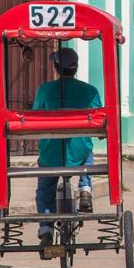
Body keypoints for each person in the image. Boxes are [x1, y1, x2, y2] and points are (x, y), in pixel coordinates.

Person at [33, 47, 102, 246]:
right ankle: (86, 187)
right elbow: (99, 120)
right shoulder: (90, 91)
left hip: (51, 155)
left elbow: (35, 115)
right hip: (78, 153)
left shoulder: (45, 90)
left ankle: (45, 227)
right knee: (87, 153)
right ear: (76, 67)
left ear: (56, 68)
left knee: (45, 187)